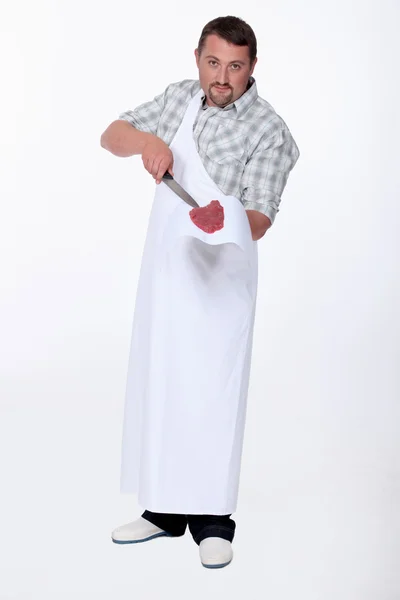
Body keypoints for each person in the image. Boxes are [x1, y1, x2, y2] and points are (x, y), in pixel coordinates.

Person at [100, 15, 300, 569]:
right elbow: (111, 134)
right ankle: (162, 511)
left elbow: (259, 218)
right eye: (214, 63)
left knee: (213, 393)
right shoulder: (179, 99)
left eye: (235, 66)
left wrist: (226, 214)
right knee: (163, 382)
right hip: (167, 273)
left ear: (252, 67)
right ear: (197, 59)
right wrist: (146, 144)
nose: (222, 76)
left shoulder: (269, 130)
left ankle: (214, 520)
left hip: (221, 276)